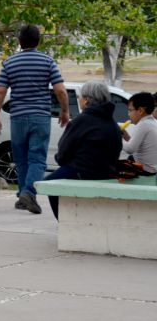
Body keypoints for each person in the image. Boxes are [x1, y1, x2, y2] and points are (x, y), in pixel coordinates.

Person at [0, 24, 69, 214]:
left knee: (21, 159)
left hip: (18, 117)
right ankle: (28, 192)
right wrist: (65, 111)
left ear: (19, 41)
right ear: (39, 41)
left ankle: (22, 196)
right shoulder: (48, 61)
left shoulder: (9, 63)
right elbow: (60, 90)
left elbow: (0, 92)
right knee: (37, 159)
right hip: (40, 117)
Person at [41, 81, 122, 219]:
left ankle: (65, 224)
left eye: (80, 96)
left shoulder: (82, 120)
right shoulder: (112, 123)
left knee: (50, 183)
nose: (79, 99)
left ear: (87, 100)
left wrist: (60, 160)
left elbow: (63, 153)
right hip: (107, 172)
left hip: (82, 171)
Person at [122, 91, 157, 174]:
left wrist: (117, 138)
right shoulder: (152, 122)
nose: (128, 114)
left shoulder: (143, 125)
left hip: (144, 170)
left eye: (130, 110)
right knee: (130, 158)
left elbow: (130, 149)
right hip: (152, 169)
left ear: (140, 111)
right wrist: (126, 137)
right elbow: (137, 146)